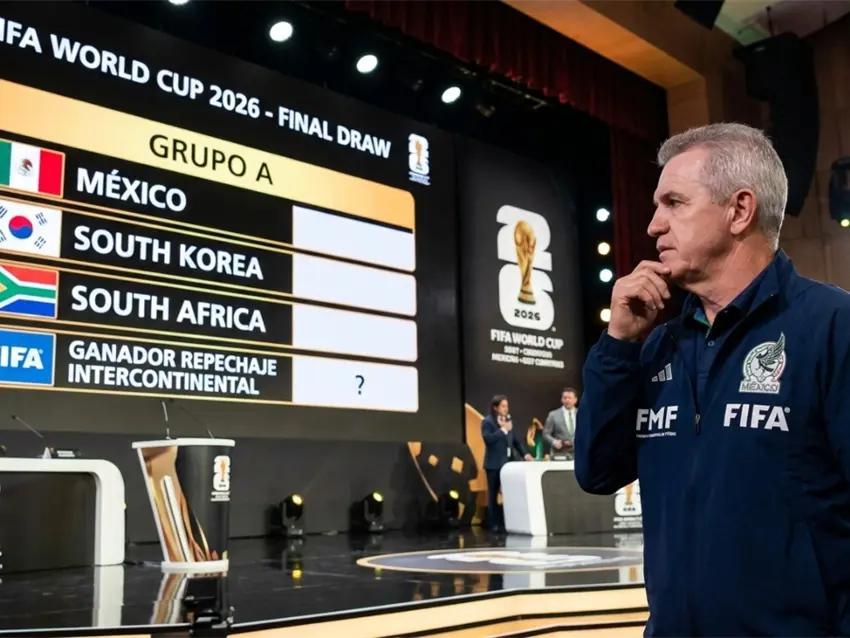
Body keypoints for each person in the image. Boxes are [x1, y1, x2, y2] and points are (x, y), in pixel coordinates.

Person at [575, 123, 850, 637]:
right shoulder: (657, 345)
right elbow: (597, 472)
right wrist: (617, 347)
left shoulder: (833, 327)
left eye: (674, 203)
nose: (653, 226)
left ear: (739, 210)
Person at [481, 394, 534, 532]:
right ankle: (493, 524)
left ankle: (508, 522)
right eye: (503, 406)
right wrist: (503, 430)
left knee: (509, 494)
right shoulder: (488, 422)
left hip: (508, 465)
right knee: (493, 495)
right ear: (495, 407)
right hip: (494, 465)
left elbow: (515, 441)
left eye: (507, 406)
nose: (506, 409)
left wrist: (525, 454)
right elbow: (488, 439)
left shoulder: (508, 421)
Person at [543, 387, 579, 460]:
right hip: (559, 454)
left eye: (570, 398)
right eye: (565, 398)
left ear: (575, 400)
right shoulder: (553, 415)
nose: (567, 400)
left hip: (578, 453)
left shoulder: (582, 414)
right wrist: (554, 442)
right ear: (561, 399)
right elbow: (545, 434)